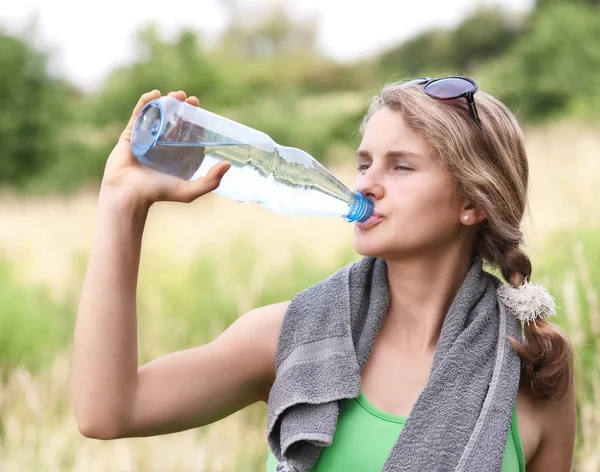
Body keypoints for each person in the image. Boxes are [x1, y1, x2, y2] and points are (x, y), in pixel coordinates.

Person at [73, 78, 576, 472]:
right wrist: (122, 204)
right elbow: (108, 412)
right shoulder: (289, 338)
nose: (367, 183)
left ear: (472, 202)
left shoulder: (532, 368)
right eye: (364, 163)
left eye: (400, 167)